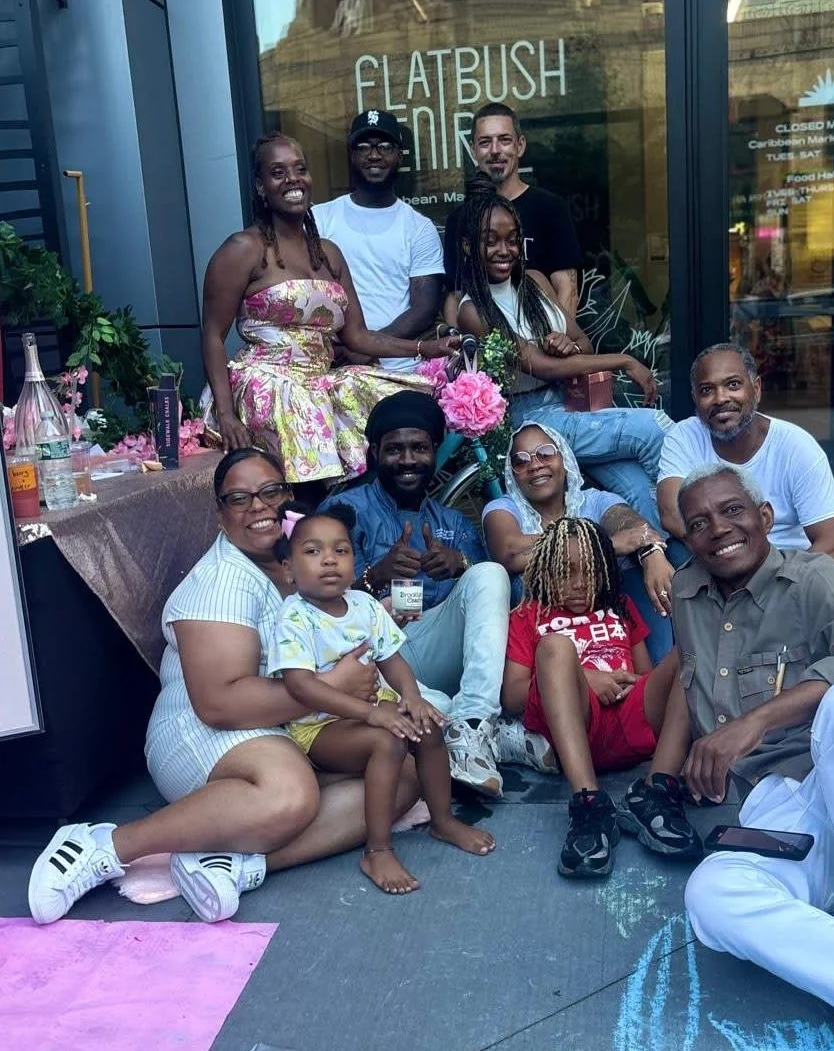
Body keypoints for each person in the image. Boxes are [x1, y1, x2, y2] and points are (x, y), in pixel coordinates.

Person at [27, 449, 421, 927]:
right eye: (239, 498)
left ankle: (235, 864)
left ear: (287, 497)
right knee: (289, 795)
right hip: (201, 731)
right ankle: (104, 845)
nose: (258, 507)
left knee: (399, 776)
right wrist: (330, 684)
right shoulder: (221, 583)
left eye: (270, 492)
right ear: (220, 513)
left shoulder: (294, 559)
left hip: (291, 722)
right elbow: (218, 704)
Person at [616, 463, 834, 1051]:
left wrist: (754, 722)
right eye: (698, 523)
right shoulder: (689, 596)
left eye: (732, 511)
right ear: (686, 540)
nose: (718, 528)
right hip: (779, 809)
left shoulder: (813, 576)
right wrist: (661, 778)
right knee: (712, 900)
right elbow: (684, 689)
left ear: (765, 517)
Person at [200, 132, 450, 488]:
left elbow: (357, 336)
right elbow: (211, 335)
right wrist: (225, 414)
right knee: (300, 408)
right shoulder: (243, 249)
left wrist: (425, 349)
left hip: (318, 378)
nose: (292, 180)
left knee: (399, 402)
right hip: (267, 380)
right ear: (260, 186)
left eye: (300, 169)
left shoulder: (328, 253)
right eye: (278, 172)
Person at [269, 506, 495, 896]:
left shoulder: (365, 605)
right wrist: (371, 714)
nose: (328, 560)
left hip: (374, 711)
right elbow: (301, 687)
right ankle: (377, 849)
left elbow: (393, 659)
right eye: (312, 551)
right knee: (388, 741)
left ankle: (442, 819)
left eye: (340, 551)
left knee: (427, 725)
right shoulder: (294, 617)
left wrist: (412, 698)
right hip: (319, 727)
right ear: (288, 569)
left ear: (354, 561)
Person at [320, 390, 514, 797]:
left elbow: (488, 598)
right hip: (375, 660)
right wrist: (375, 576)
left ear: (433, 452)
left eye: (419, 448)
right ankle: (492, 738)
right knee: (423, 702)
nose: (408, 460)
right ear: (375, 454)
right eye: (394, 449)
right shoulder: (343, 511)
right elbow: (315, 604)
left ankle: (474, 722)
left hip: (433, 641)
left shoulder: (451, 522)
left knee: (490, 573)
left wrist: (459, 564)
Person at [455, 185, 667, 520]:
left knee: (639, 489)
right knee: (655, 427)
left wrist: (566, 346)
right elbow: (541, 367)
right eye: (490, 240)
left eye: (512, 239)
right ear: (469, 246)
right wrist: (626, 360)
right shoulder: (473, 312)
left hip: (571, 403)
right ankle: (690, 532)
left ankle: (664, 561)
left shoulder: (536, 281)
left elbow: (583, 344)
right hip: (531, 419)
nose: (504, 249)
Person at [502, 517, 680, 881]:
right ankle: (589, 804)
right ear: (545, 572)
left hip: (633, 720)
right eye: (565, 573)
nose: (580, 584)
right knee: (555, 647)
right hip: (576, 727)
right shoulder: (529, 616)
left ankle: (657, 790)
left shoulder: (621, 607)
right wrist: (585, 679)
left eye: (590, 571)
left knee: (688, 650)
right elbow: (513, 695)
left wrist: (631, 686)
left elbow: (647, 676)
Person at [656, 341, 834, 612]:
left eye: (733, 385)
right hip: (721, 558)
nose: (720, 398)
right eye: (707, 390)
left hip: (797, 564)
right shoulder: (685, 437)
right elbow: (672, 513)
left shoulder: (795, 446)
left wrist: (772, 585)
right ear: (695, 398)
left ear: (756, 389)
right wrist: (732, 554)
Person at [483, 421, 675, 669]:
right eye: (521, 461)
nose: (535, 465)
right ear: (513, 473)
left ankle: (657, 668)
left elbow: (635, 529)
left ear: (564, 459)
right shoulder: (503, 509)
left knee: (639, 569)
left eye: (545, 453)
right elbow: (509, 552)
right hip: (548, 636)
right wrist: (604, 546)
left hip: (602, 623)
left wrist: (652, 554)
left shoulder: (594, 501)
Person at [314, 110, 444, 373]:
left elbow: (424, 309)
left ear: (399, 155)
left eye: (385, 146)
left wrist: (366, 346)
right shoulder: (319, 219)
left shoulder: (419, 228)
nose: (374, 155)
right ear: (351, 155)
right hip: (333, 364)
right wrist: (350, 348)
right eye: (364, 147)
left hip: (399, 367)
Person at [444, 103, 582, 322]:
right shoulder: (459, 219)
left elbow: (568, 288)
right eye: (485, 142)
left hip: (544, 342)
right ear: (473, 150)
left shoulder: (550, 208)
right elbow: (455, 294)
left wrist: (560, 342)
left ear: (520, 145)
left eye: (504, 140)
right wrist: (459, 350)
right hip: (485, 348)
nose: (495, 150)